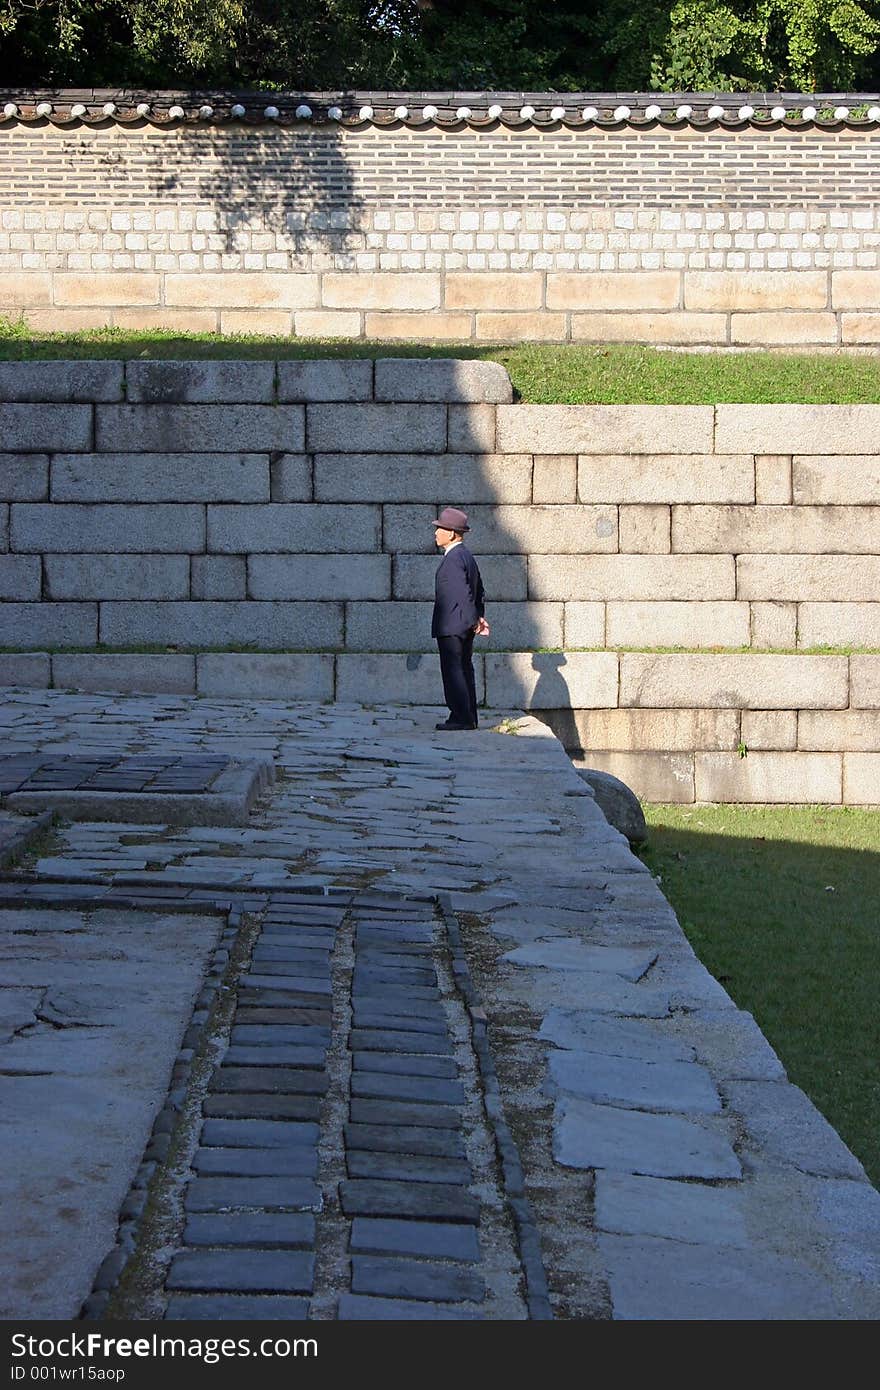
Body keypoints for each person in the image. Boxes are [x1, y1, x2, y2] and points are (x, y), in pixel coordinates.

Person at [431, 506, 490, 731]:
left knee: (454, 670)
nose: (436, 533)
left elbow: (463, 592)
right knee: (464, 668)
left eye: (440, 529)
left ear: (453, 533)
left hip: (453, 625)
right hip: (463, 623)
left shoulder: (454, 558)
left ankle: (460, 717)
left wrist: (474, 620)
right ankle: (469, 716)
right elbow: (480, 590)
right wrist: (477, 617)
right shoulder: (466, 556)